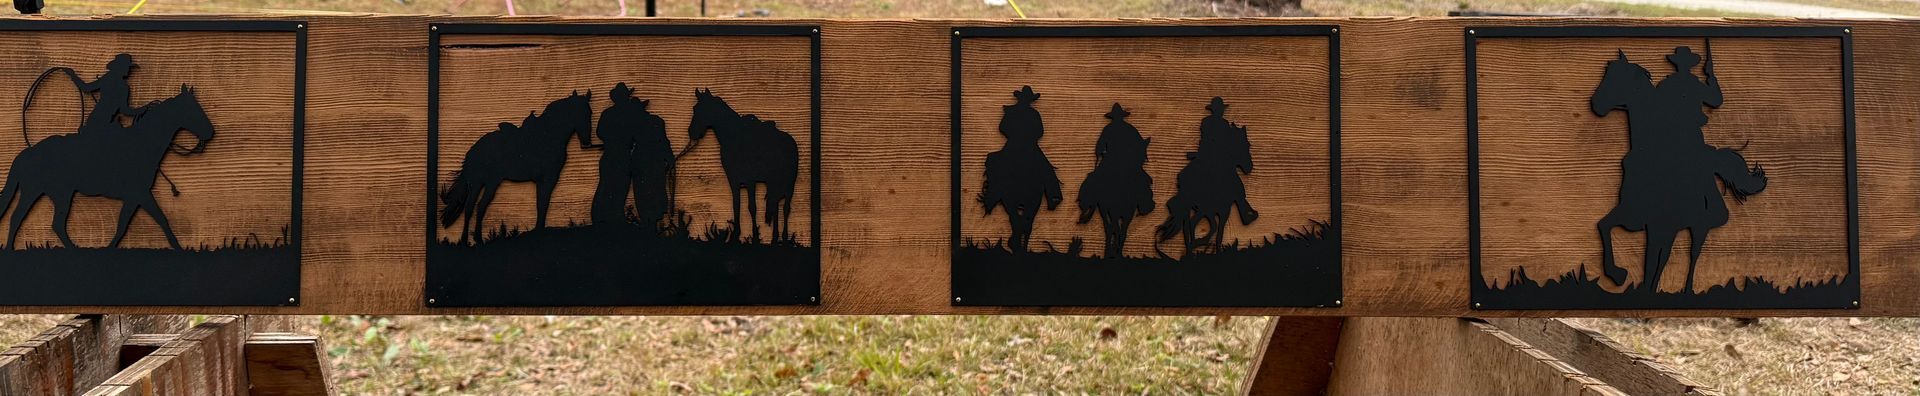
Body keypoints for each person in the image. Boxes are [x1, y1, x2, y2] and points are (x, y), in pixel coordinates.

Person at [70, 54, 144, 132]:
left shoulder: (120, 84)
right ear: (120, 67)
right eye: (126, 67)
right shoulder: (114, 81)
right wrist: (73, 76)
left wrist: (73, 76)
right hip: (101, 119)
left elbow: (124, 109)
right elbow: (87, 88)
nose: (128, 70)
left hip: (103, 118)